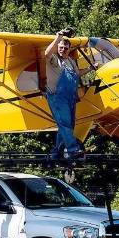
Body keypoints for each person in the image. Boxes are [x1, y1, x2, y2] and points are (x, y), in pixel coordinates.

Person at [44, 28, 97, 159]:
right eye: (61, 47)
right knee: (65, 124)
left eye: (65, 48)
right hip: (57, 96)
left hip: (70, 97)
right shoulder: (54, 60)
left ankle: (57, 152)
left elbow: (78, 74)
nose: (63, 50)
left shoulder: (70, 62)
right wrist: (58, 37)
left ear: (69, 49)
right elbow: (46, 53)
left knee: (69, 125)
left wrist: (91, 68)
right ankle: (73, 150)